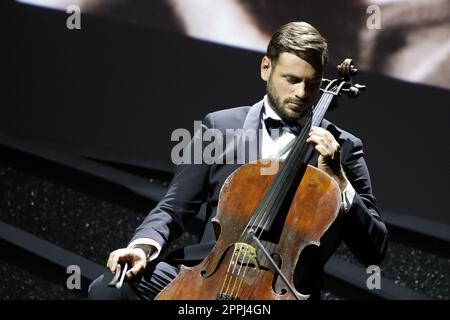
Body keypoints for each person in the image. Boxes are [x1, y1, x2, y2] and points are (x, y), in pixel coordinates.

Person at [88, 21, 388, 300]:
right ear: (266, 68)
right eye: (291, 80)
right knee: (109, 290)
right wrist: (141, 248)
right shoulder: (218, 127)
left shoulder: (343, 148)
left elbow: (375, 250)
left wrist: (339, 180)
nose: (302, 93)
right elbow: (174, 207)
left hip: (280, 292)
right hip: (209, 274)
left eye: (311, 84)